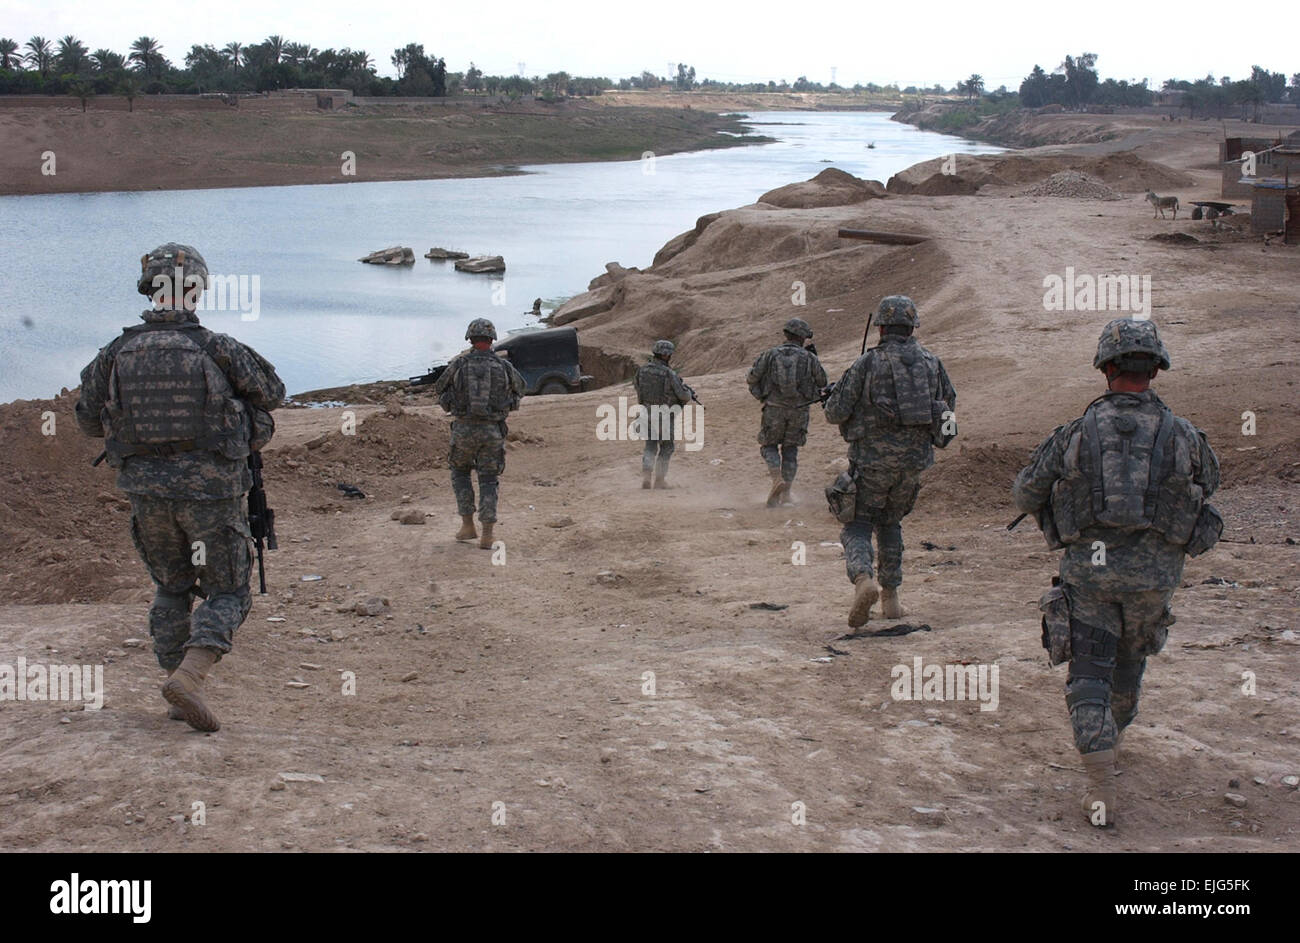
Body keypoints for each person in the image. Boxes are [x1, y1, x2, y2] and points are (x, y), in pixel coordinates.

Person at [1013, 318, 1220, 827]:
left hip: (1090, 575)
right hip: (1154, 578)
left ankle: (1100, 782)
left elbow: (1025, 493)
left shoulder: (1074, 434)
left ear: (1106, 367)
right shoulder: (1185, 434)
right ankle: (1113, 740)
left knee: (1088, 673)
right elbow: (1208, 483)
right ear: (1155, 368)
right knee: (1129, 664)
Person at [75, 243, 284, 732]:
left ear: (150, 288)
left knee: (171, 588)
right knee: (228, 591)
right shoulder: (218, 347)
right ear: (197, 288)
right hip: (212, 494)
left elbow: (87, 421)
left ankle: (176, 689)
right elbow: (273, 393)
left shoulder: (115, 352)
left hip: (147, 494)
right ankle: (190, 677)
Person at [823, 296, 956, 627]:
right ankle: (891, 600)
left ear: (881, 327)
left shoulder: (867, 363)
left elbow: (835, 412)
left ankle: (863, 580)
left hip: (871, 463)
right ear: (912, 327)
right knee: (891, 524)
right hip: (914, 463)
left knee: (857, 524)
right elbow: (948, 410)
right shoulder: (932, 363)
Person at [435, 318, 526, 548]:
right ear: (492, 339)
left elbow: (439, 388)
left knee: (460, 474)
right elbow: (522, 388)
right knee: (488, 479)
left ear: (470, 340)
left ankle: (467, 527)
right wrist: (508, 403)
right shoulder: (504, 367)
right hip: (492, 431)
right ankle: (487, 535)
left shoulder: (458, 364)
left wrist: (450, 402)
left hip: (463, 429)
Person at [747, 317, 828, 506]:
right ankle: (786, 494)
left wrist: (762, 396)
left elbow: (752, 377)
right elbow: (822, 382)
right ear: (802, 338)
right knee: (790, 450)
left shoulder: (769, 354)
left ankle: (776, 479)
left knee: (768, 445)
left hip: (774, 408)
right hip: (799, 410)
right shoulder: (809, 358)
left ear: (786, 334)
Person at [633, 339, 694, 489]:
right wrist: (688, 393)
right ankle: (659, 480)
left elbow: (637, 386)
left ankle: (646, 476)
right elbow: (683, 396)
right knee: (666, 447)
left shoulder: (642, 370)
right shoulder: (669, 373)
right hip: (664, 416)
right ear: (666, 355)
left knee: (650, 446)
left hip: (646, 413)